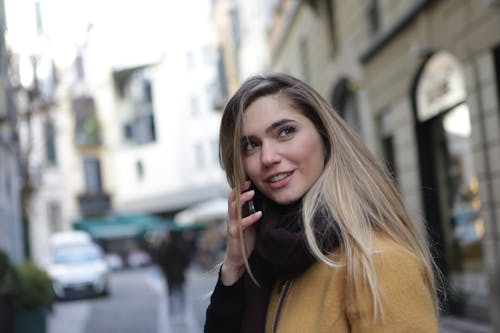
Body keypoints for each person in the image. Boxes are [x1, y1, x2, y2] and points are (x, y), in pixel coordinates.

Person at [204, 73, 440, 332]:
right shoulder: (271, 259)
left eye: (285, 132)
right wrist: (234, 267)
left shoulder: (378, 261)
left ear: (324, 135)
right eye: (251, 145)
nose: (268, 157)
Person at [158, 230, 191, 322]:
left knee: (175, 294)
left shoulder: (167, 247)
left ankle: (175, 313)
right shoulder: (178, 246)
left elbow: (161, 260)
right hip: (176, 274)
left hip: (172, 274)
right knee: (178, 294)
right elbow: (186, 260)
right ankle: (178, 313)